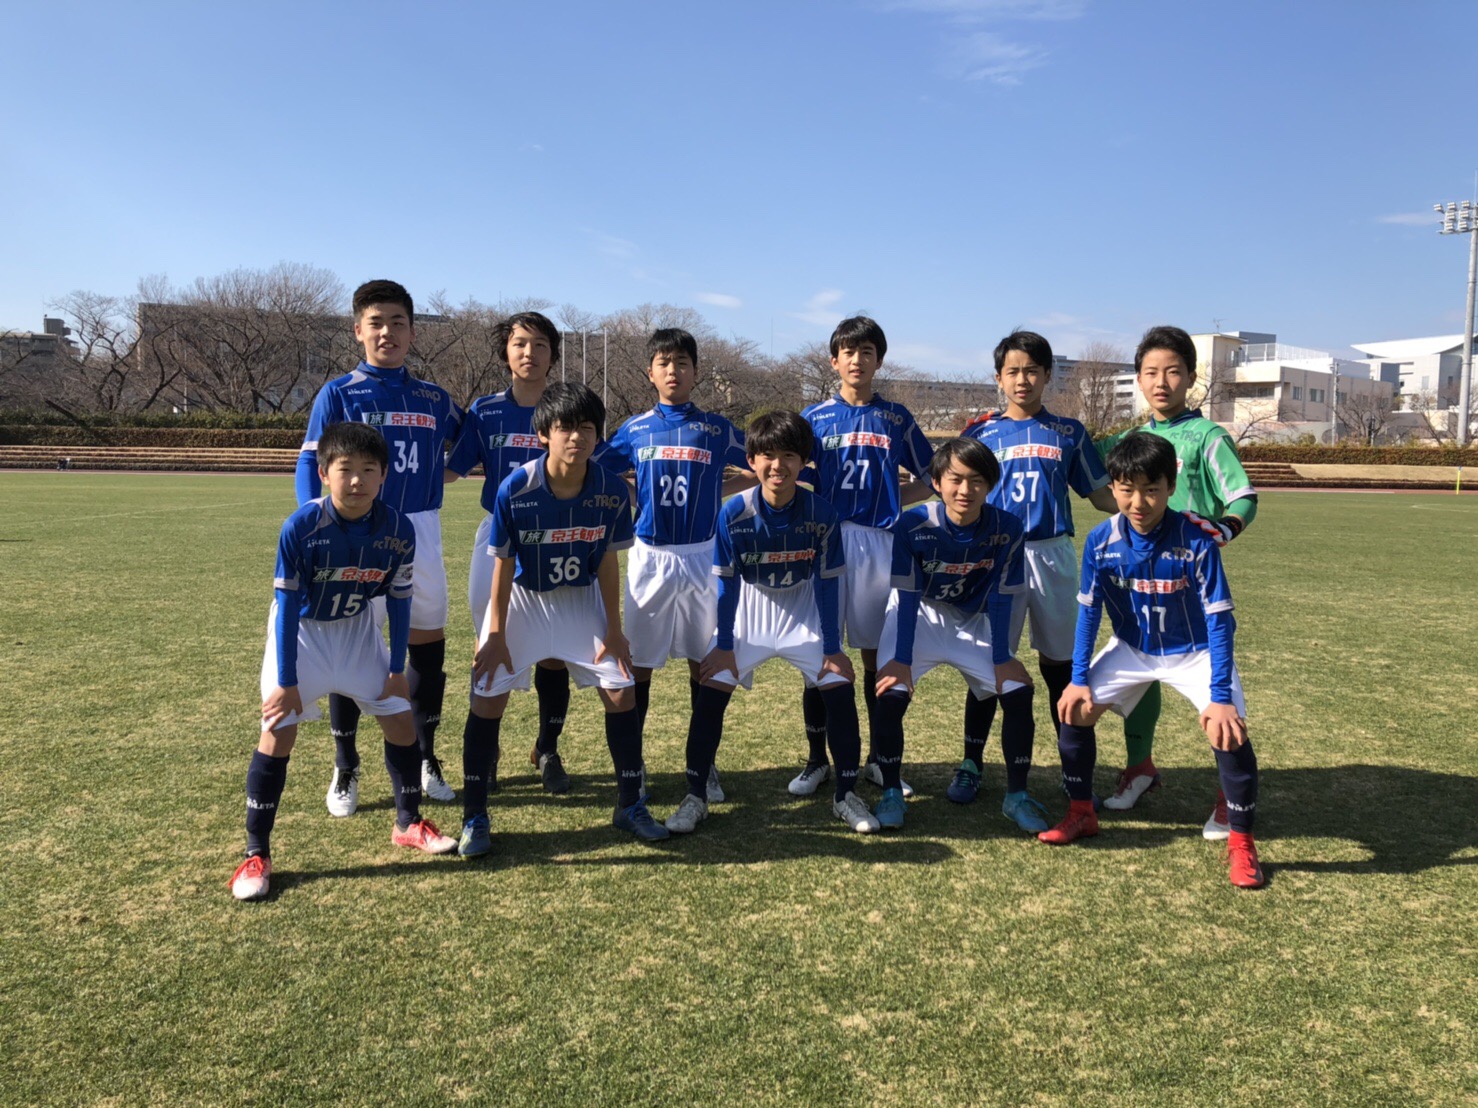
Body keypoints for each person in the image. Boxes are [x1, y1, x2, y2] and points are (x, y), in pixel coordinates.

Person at [230, 422, 457, 901]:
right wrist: (288, 681)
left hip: (356, 629)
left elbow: (400, 602)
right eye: (345, 469)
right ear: (323, 473)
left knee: (400, 720)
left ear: (384, 476)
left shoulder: (398, 528)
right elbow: (286, 608)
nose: (357, 480)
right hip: (303, 633)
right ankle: (256, 853)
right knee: (278, 729)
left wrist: (396, 671)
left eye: (368, 470)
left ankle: (408, 823)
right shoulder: (301, 527)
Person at [1042, 433, 1264, 890]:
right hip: (1133, 648)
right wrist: (1078, 679)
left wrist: (1221, 697)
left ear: (1171, 486)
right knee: (1075, 710)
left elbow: (1220, 622)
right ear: (1113, 487)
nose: (1138, 502)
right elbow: (1089, 613)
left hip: (1195, 651)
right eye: (1126, 489)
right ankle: (1081, 813)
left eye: (1151, 489)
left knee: (1227, 730)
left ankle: (1242, 842)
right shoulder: (1101, 540)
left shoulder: (1196, 540)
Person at [457, 383, 663, 856]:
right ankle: (475, 816)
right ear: (543, 434)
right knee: (487, 694)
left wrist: (614, 629)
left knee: (621, 688)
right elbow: (503, 563)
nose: (577, 437)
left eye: (587, 428)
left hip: (580, 600)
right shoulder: (517, 488)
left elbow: (608, 560)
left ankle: (630, 805)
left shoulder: (611, 489)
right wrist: (494, 632)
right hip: (525, 601)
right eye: (565, 427)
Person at [295, 279, 463, 817]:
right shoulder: (338, 393)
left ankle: (426, 757)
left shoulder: (435, 398)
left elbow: (472, 443)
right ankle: (346, 765)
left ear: (412, 332)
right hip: (355, 533)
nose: (386, 332)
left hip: (421, 530)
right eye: (376, 322)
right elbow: (309, 461)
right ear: (358, 331)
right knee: (349, 644)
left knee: (426, 645)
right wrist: (318, 527)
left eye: (397, 322)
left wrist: (445, 475)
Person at [665, 410, 877, 836]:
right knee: (712, 689)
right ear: (751, 460)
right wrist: (724, 644)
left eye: (788, 456)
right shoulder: (734, 512)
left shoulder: (821, 513)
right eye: (767, 455)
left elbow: (828, 584)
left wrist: (832, 648)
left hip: (803, 608)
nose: (778, 465)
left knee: (838, 687)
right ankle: (695, 796)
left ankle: (846, 795)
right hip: (750, 607)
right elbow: (726, 585)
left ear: (804, 461)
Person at [1095, 326, 1258, 839]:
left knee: (1216, 694)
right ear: (1138, 379)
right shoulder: (1128, 440)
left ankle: (1229, 797)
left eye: (1172, 371)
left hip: (1190, 582)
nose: (1161, 382)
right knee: (1140, 672)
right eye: (1150, 372)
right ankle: (1140, 767)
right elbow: (1075, 455)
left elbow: (1243, 497)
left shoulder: (1207, 437)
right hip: (1137, 580)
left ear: (1190, 377)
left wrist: (1224, 529)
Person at [595, 327, 753, 805]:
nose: (673, 371)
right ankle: (635, 764)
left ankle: (703, 765)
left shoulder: (716, 428)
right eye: (664, 363)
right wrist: (634, 496)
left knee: (706, 663)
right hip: (652, 557)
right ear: (650, 373)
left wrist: (716, 492)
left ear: (696, 372)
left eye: (682, 363)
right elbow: (597, 468)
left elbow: (758, 463)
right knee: (639, 664)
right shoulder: (636, 428)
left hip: (704, 556)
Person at [958, 330, 1115, 806]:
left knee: (1060, 666)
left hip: (1052, 554)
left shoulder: (1069, 432)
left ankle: (1072, 768)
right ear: (998, 378)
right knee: (988, 664)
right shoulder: (980, 433)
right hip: (996, 555)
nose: (1022, 380)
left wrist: (1153, 514)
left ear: (1047, 375)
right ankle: (971, 763)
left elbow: (1101, 495)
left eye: (1031, 370)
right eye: (1013, 371)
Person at [871, 437, 1047, 831]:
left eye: (977, 480)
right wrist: (901, 660)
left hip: (972, 620)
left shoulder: (1007, 527)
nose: (966, 490)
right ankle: (891, 791)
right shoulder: (913, 524)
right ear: (936, 482)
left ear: (990, 484)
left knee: (1017, 691)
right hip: (920, 615)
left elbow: (1001, 596)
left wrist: (1002, 658)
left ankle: (1016, 796)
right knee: (891, 691)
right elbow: (907, 595)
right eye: (956, 479)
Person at [796, 316, 934, 801]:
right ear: (834, 361)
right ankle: (818, 760)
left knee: (878, 656)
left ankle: (878, 758)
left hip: (879, 541)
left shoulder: (896, 417)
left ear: (879, 360)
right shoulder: (813, 418)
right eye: (848, 352)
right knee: (820, 652)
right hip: (829, 540)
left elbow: (933, 476)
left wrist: (896, 501)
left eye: (867, 352)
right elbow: (795, 477)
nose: (857, 360)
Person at [445, 311, 575, 794]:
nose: (529, 353)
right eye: (520, 343)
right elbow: (452, 470)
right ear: (506, 352)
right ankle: (489, 750)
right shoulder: (485, 411)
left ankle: (547, 748)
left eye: (540, 345)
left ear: (552, 355)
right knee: (489, 642)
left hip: (560, 536)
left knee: (555, 652)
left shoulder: (570, 407)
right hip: (499, 536)